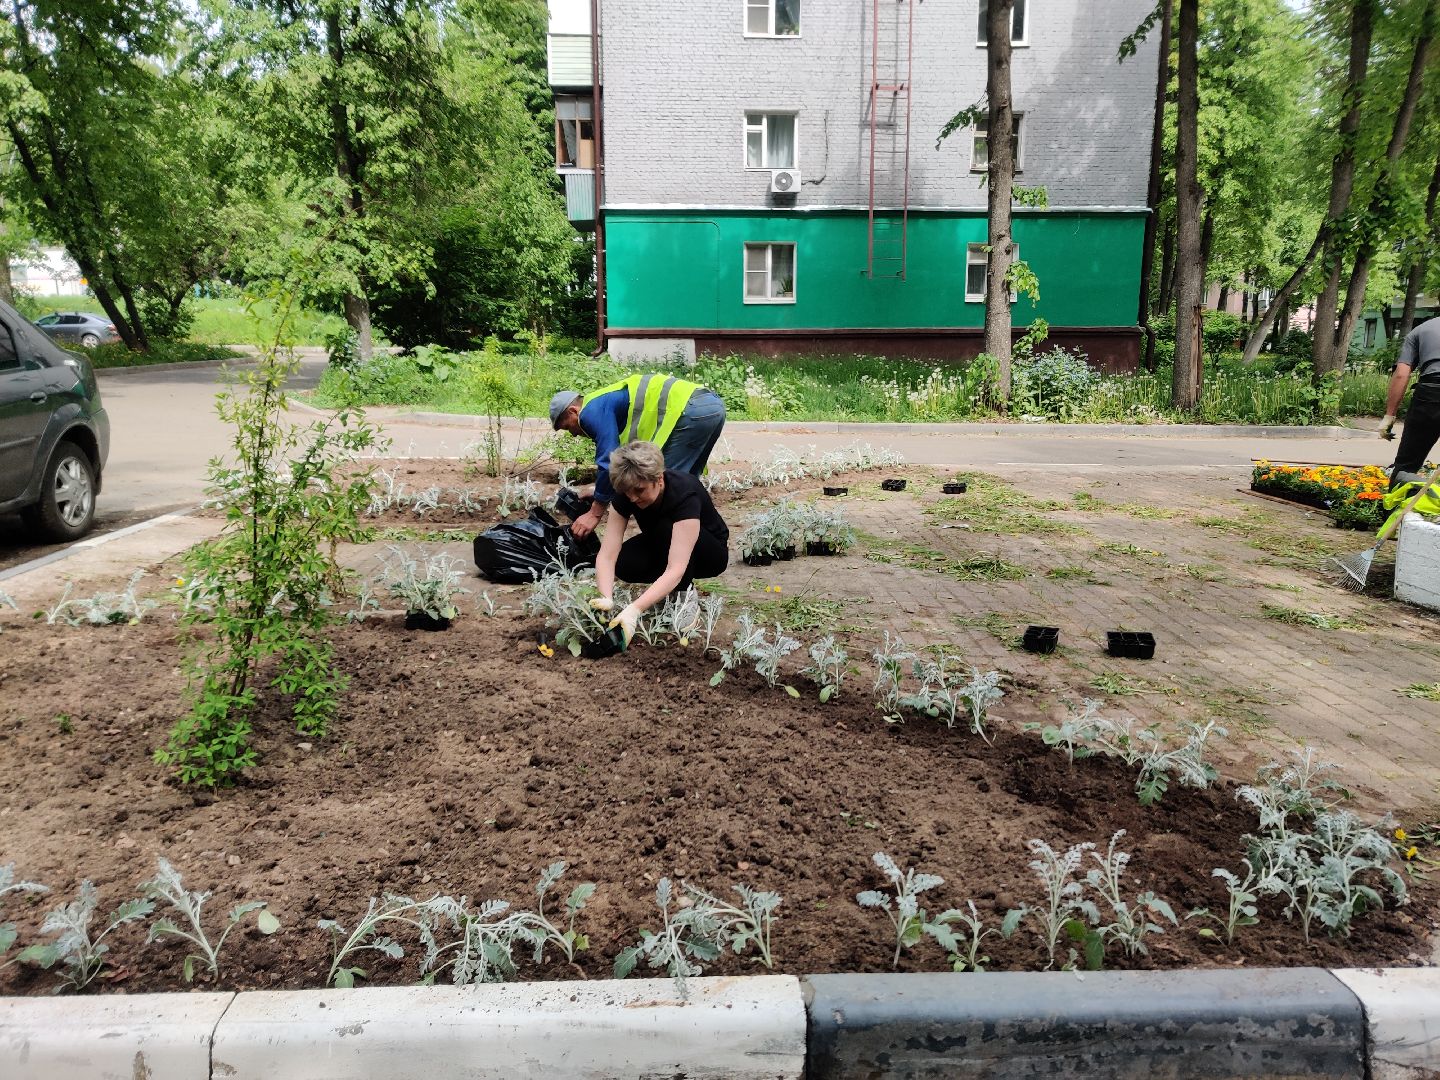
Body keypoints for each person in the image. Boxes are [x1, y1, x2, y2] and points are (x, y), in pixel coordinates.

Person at [549, 372, 726, 540]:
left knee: (662, 487)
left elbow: (608, 460)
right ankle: (705, 540)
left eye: (567, 427)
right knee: (686, 483)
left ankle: (668, 551)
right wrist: (600, 491)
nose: (572, 434)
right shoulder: (603, 401)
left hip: (691, 411)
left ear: (573, 411)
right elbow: (621, 461)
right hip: (711, 405)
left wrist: (594, 513)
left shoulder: (589, 412)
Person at [589, 440, 729, 646]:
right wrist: (605, 599)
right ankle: (664, 593)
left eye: (639, 490)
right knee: (624, 562)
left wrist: (634, 610)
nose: (633, 498)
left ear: (659, 479)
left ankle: (684, 597)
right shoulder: (626, 492)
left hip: (709, 553)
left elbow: (677, 567)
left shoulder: (684, 493)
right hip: (664, 540)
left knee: (666, 528)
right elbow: (607, 555)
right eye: (627, 492)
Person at [1381, 316, 1440, 488]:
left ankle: (1393, 510)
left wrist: (1389, 416)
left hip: (1429, 395)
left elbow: (1401, 374)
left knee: (1406, 464)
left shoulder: (1421, 330)